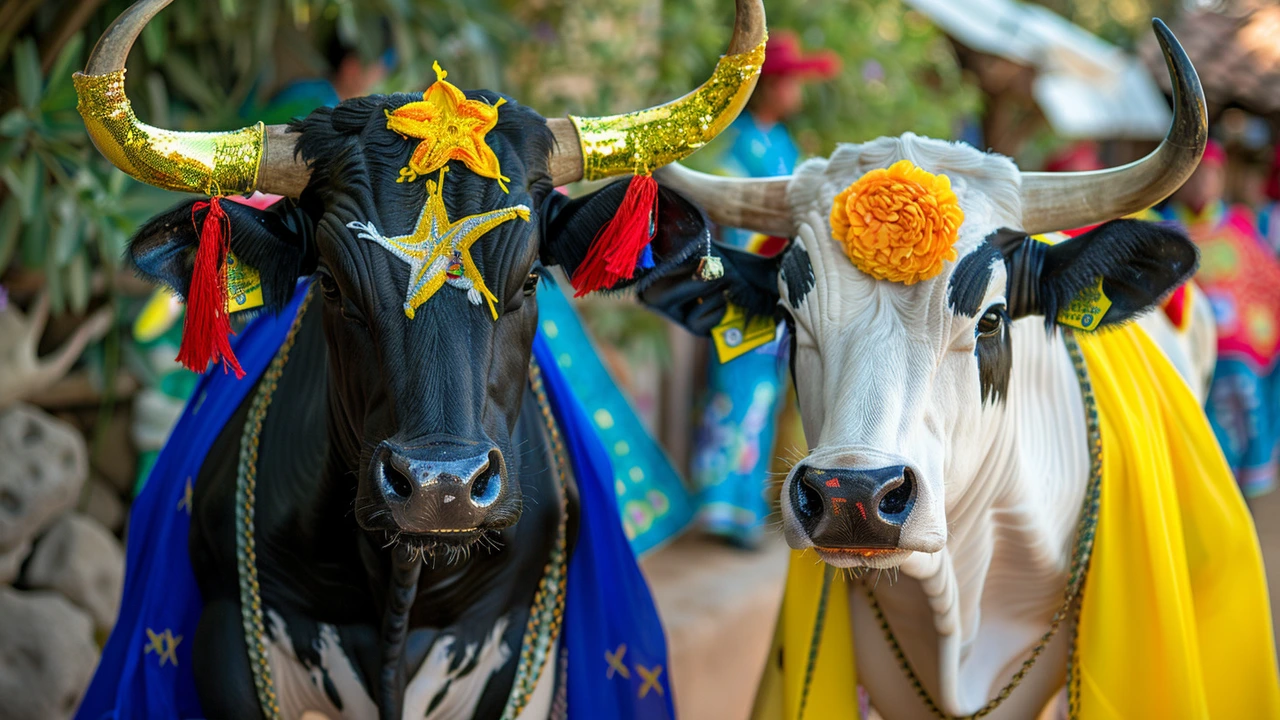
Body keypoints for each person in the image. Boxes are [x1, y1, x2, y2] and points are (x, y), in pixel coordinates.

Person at [690, 31, 838, 547]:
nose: (799, 89)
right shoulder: (736, 144)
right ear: (770, 84)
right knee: (737, 392)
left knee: (766, 392)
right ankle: (722, 509)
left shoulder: (782, 144)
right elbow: (729, 222)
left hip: (782, 287)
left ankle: (747, 505)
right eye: (793, 79)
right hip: (745, 284)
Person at [1160, 140, 1280, 497]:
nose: (1201, 184)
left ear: (1222, 179)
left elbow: (1265, 283)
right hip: (1189, 360)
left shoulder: (1240, 225)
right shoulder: (1162, 231)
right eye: (1194, 176)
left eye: (1209, 175)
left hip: (1242, 361)